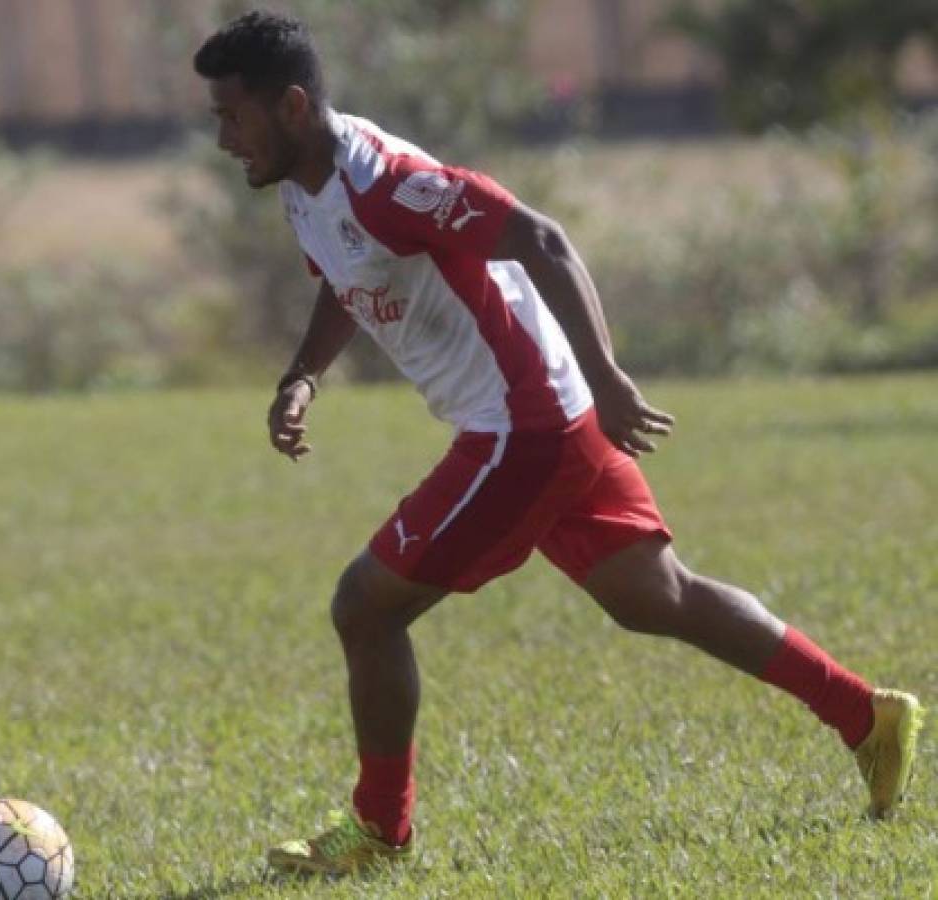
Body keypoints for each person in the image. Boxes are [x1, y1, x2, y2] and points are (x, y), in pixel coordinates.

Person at [193, 10, 923, 876]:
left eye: (231, 117)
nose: (223, 139)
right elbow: (349, 281)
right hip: (538, 419)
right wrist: (302, 377)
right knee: (655, 596)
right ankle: (865, 717)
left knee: (366, 607)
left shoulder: (389, 181)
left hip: (523, 425)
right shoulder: (299, 189)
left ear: (290, 106)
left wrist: (607, 378)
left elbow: (541, 238)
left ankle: (379, 834)